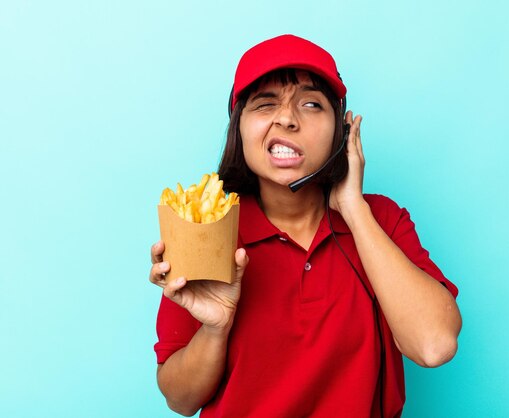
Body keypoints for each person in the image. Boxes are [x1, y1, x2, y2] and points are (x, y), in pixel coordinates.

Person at [149, 34, 461, 418]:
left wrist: (352, 207)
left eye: (311, 104)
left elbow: (434, 346)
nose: (287, 118)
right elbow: (180, 400)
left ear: (342, 132)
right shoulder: (206, 224)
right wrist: (216, 329)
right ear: (239, 129)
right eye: (265, 104)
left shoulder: (381, 219)